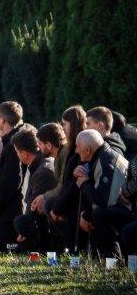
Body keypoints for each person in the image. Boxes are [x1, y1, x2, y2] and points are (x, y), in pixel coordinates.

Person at [72, 129, 129, 258]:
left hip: (129, 211)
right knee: (94, 214)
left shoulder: (107, 162)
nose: (76, 151)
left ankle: (112, 264)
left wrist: (84, 184)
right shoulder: (100, 156)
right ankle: (98, 259)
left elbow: (103, 201)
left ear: (87, 150)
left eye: (78, 147)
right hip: (119, 207)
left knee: (100, 215)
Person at [0, 101, 26, 247]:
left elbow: (10, 182)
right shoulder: (18, 139)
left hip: (11, 210)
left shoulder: (11, 146)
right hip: (12, 207)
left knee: (10, 249)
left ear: (2, 119)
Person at [12, 127, 59, 253]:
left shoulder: (41, 171)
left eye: (17, 152)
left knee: (20, 221)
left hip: (47, 224)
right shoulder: (38, 165)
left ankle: (39, 250)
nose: (17, 155)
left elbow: (34, 207)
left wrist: (23, 231)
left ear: (25, 154)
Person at [48, 106, 87, 251]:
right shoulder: (70, 147)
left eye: (64, 124)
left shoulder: (79, 147)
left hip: (77, 200)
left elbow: (73, 183)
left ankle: (73, 251)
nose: (62, 127)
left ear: (74, 124)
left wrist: (58, 207)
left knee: (52, 206)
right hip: (69, 195)